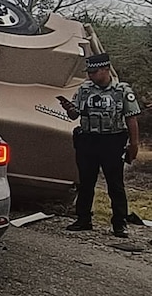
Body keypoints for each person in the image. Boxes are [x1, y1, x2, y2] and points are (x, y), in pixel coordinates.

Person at [60, 53, 142, 237]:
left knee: (115, 183)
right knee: (86, 181)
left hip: (112, 140)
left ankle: (120, 223)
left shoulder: (121, 90)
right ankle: (83, 219)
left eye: (94, 72)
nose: (91, 75)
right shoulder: (85, 89)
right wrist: (69, 109)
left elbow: (131, 118)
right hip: (88, 139)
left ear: (106, 70)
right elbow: (75, 115)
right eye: (89, 72)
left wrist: (134, 144)